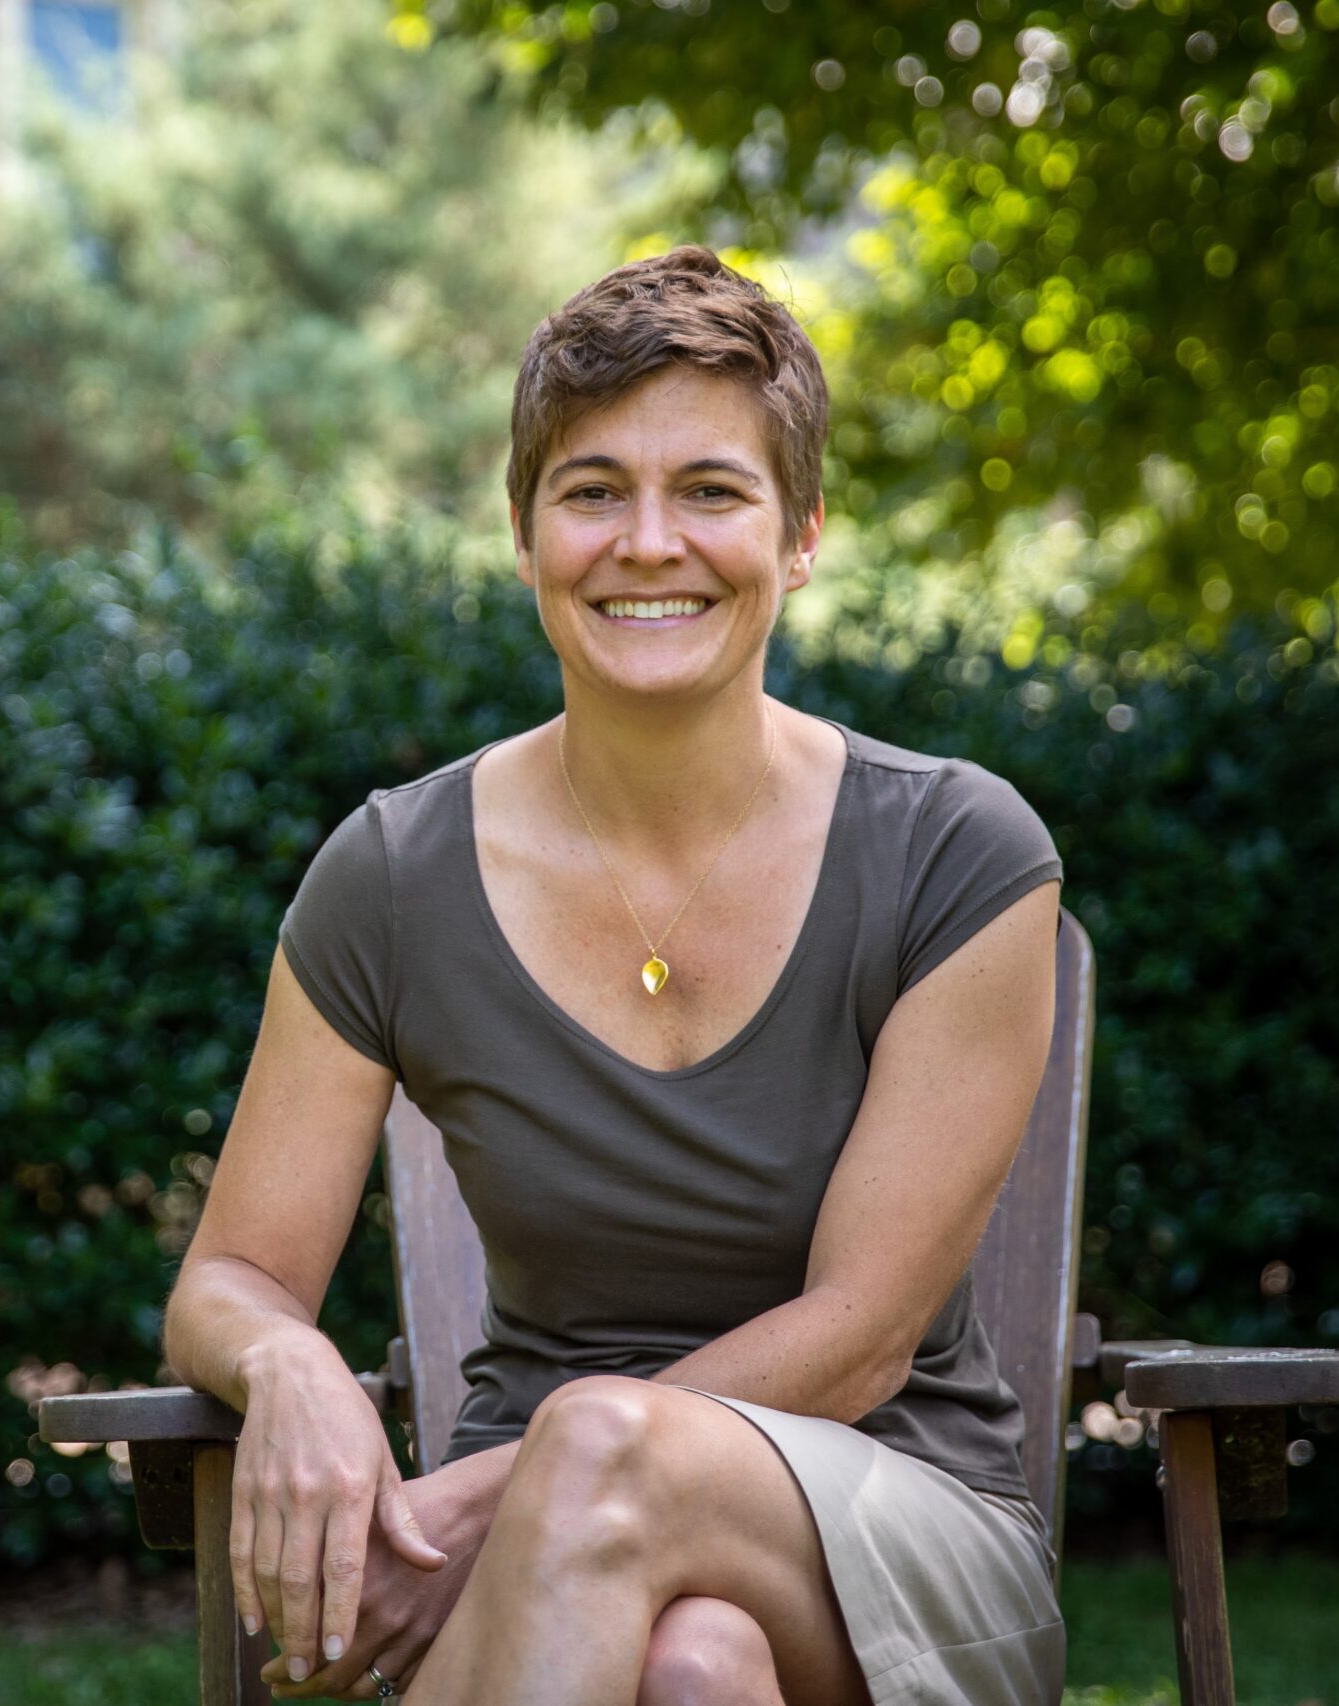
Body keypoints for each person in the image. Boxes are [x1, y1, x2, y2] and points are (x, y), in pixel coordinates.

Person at [159, 246, 1068, 1705]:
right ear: (525, 536)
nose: (649, 542)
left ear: (802, 534)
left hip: (902, 1525)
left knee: (600, 1449)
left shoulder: (956, 851)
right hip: (548, 1577)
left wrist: (481, 1496)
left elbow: (860, 1338)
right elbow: (234, 1277)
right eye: (592, 491)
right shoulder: (394, 876)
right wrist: (289, 1368)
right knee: (696, 1668)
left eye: (711, 490)